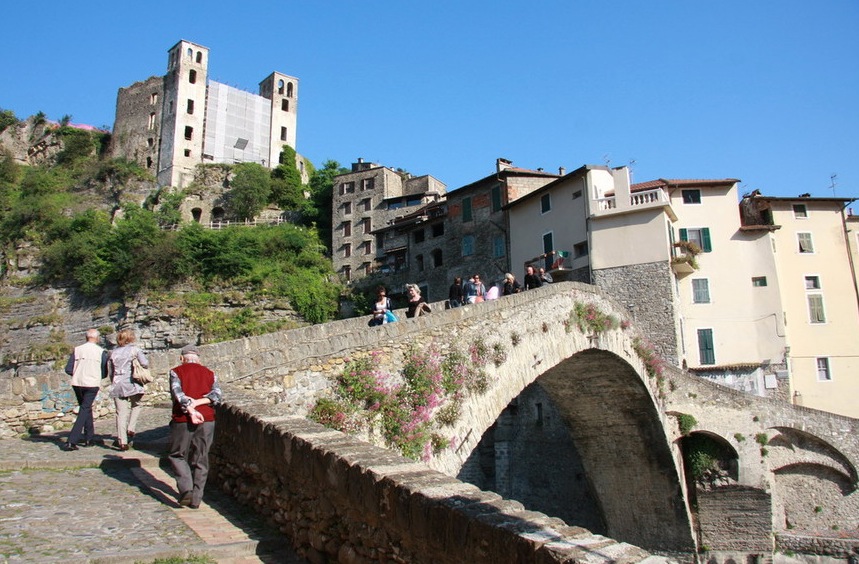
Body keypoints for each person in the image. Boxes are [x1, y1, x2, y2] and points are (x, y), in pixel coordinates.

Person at [168, 344, 222, 509]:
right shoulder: (210, 373)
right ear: (199, 359)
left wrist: (191, 408)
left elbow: (178, 394)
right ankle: (197, 499)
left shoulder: (176, 372)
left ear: (182, 358)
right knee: (201, 457)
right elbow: (216, 395)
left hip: (183, 419)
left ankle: (186, 489)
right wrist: (198, 404)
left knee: (177, 454)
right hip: (207, 419)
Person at [62, 328, 108, 451]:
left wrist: (79, 373)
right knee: (84, 409)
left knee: (85, 408)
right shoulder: (101, 352)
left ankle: (89, 437)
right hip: (92, 383)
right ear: (97, 338)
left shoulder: (77, 350)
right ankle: (72, 440)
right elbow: (104, 372)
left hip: (77, 382)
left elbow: (68, 369)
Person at [108, 328, 149, 451]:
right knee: (136, 405)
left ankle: (122, 442)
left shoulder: (112, 353)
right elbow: (145, 363)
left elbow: (111, 372)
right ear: (131, 338)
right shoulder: (135, 350)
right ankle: (131, 428)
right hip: (132, 383)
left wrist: (114, 382)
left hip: (117, 384)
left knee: (121, 413)